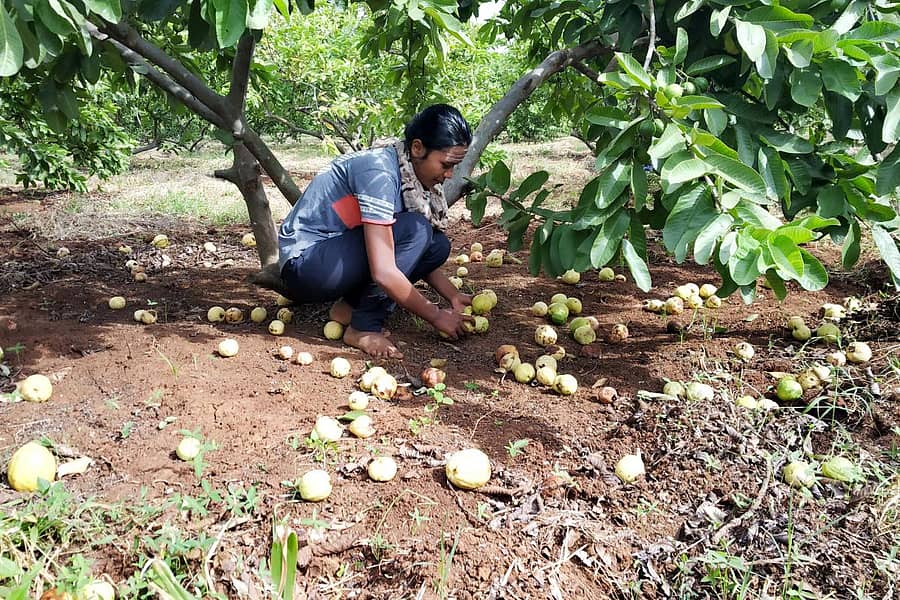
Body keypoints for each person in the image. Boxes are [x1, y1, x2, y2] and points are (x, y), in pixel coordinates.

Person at [278, 104, 474, 359]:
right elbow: (385, 269)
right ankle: (363, 327)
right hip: (307, 264)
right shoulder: (379, 172)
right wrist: (436, 316)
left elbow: (406, 250)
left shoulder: (404, 171)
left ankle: (348, 308)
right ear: (417, 148)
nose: (449, 175)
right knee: (417, 229)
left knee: (437, 245)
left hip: (334, 257)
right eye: (445, 165)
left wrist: (453, 295)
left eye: (454, 168)